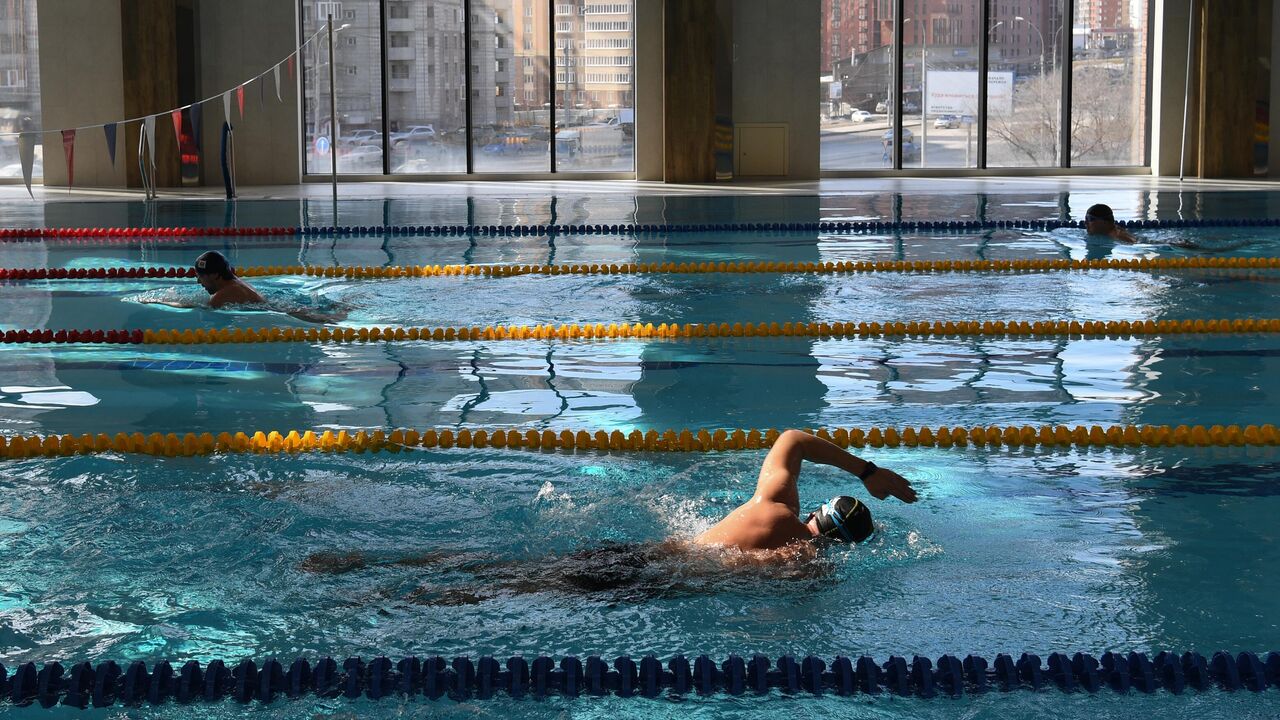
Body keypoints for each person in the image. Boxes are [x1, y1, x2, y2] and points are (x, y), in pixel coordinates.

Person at [301, 430, 919, 603]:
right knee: (515, 588)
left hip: (644, 556)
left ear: (817, 509)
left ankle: (365, 565)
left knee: (512, 567)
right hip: (654, 588)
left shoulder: (773, 506)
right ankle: (394, 598)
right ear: (840, 545)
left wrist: (869, 473)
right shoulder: (808, 572)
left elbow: (791, 439)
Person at [194, 251, 265, 308]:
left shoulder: (221, 297)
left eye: (201, 276)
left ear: (215, 274)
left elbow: (206, 309)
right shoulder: (236, 283)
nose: (198, 281)